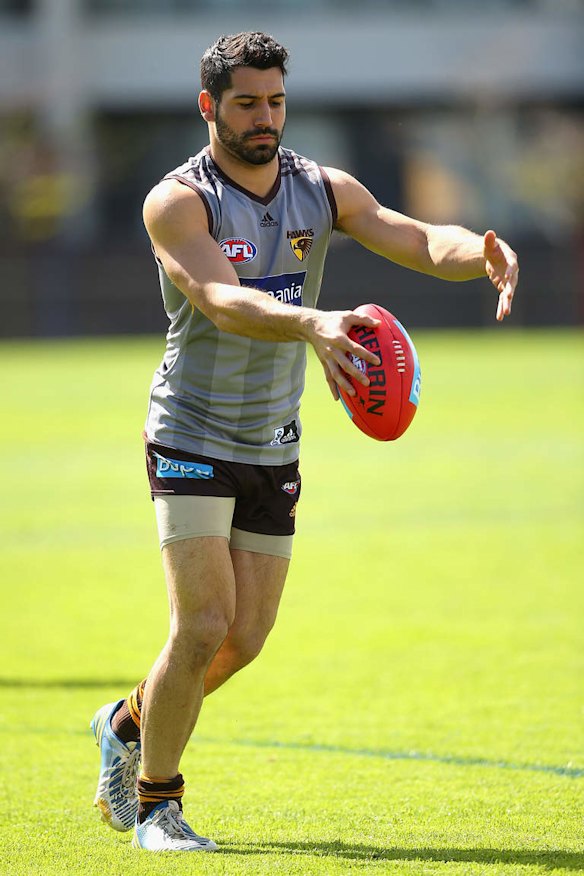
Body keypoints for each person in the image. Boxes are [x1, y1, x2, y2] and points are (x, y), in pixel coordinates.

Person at [90, 31, 518, 853]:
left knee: (244, 640)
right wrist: (315, 320)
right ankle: (156, 808)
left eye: (276, 101)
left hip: (273, 440)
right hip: (191, 431)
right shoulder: (177, 201)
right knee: (204, 623)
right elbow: (220, 298)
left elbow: (415, 235)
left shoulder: (320, 189)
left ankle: (124, 722)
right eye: (247, 103)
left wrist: (480, 252)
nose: (265, 118)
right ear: (209, 106)